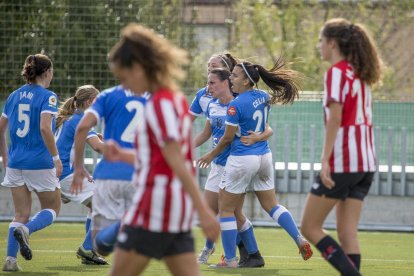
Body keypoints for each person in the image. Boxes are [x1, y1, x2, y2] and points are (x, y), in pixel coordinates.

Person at [103, 23, 220, 276]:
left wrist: (205, 213)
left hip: (153, 209)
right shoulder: (175, 100)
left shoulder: (161, 104)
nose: (124, 85)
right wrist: (121, 155)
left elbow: (177, 160)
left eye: (123, 77)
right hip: (175, 212)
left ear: (138, 68)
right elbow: (161, 159)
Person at [198, 58, 313, 268]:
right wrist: (258, 137)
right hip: (264, 157)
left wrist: (210, 155)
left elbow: (226, 138)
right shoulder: (263, 97)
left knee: (225, 210)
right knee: (271, 205)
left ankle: (230, 260)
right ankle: (298, 238)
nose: (230, 78)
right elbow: (266, 128)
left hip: (241, 159)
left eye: (234, 76)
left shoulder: (234, 105)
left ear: (245, 81)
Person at [300, 18, 383, 276]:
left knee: (309, 227)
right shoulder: (361, 74)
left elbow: (335, 118)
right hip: (366, 162)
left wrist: (325, 160)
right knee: (348, 234)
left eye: (321, 40)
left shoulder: (336, 73)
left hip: (344, 161)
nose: (319, 46)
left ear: (332, 43)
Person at [194, 68, 273, 267]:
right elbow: (206, 133)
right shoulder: (212, 105)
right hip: (220, 165)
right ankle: (242, 254)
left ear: (225, 83)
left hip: (235, 164)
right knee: (217, 211)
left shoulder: (237, 103)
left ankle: (234, 256)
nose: (208, 86)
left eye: (212, 82)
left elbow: (233, 137)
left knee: (229, 212)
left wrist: (211, 155)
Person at [70, 83, 147, 257]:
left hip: (109, 173)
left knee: (100, 246)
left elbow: (82, 127)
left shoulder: (108, 95)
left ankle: (119, 225)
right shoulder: (157, 98)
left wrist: (79, 167)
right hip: (138, 172)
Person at [0, 54, 62, 271]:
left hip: (15, 162)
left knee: (20, 214)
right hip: (40, 162)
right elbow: (45, 128)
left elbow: (1, 128)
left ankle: (10, 261)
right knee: (53, 207)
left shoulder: (14, 96)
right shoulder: (49, 96)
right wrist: (56, 158)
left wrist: (5, 155)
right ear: (47, 72)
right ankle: (27, 231)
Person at [54, 85, 107, 265]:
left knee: (97, 205)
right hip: (66, 174)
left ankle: (89, 251)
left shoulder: (69, 118)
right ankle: (87, 248)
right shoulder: (81, 119)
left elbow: (69, 145)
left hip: (59, 173)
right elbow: (98, 147)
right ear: (89, 102)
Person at [189, 53, 237, 121]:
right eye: (208, 66)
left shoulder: (238, 92)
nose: (209, 68)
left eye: (214, 66)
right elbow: (187, 121)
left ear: (226, 69)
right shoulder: (202, 94)